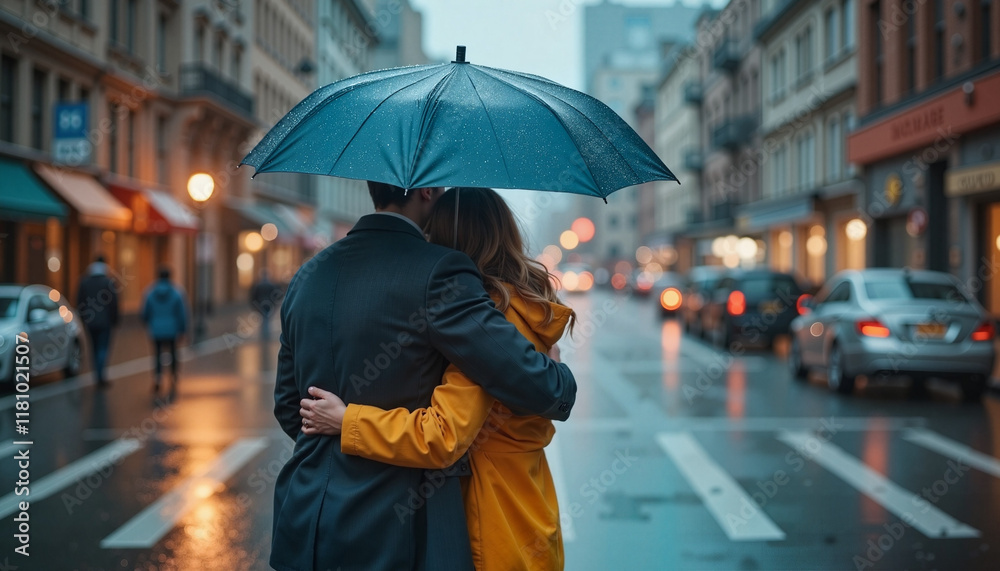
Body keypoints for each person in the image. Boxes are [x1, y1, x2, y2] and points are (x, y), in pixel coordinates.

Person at [271, 182, 576, 571]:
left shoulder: (306, 276)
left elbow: (288, 407)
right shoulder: (442, 271)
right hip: (395, 528)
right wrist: (559, 375)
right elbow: (529, 383)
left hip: (305, 521)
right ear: (428, 191)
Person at [142, 266, 188, 393]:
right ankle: (173, 377)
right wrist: (183, 329)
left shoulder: (150, 292)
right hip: (172, 329)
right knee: (173, 353)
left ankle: (158, 378)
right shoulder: (177, 292)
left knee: (157, 354)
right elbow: (182, 313)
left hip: (156, 329)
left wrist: (148, 323)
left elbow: (145, 312)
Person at [76, 254, 120, 387]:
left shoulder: (84, 281)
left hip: (90, 321)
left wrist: (83, 317)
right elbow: (114, 303)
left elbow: (79, 301)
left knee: (93, 348)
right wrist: (115, 319)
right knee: (103, 348)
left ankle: (97, 375)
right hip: (105, 321)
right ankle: (101, 375)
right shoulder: (108, 282)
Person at [250, 269, 282, 341]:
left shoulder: (258, 285)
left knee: (264, 318)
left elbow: (254, 296)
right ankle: (266, 333)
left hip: (260, 304)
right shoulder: (271, 284)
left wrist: (254, 305)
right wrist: (274, 304)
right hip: (269, 304)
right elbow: (276, 295)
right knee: (267, 318)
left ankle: (264, 333)